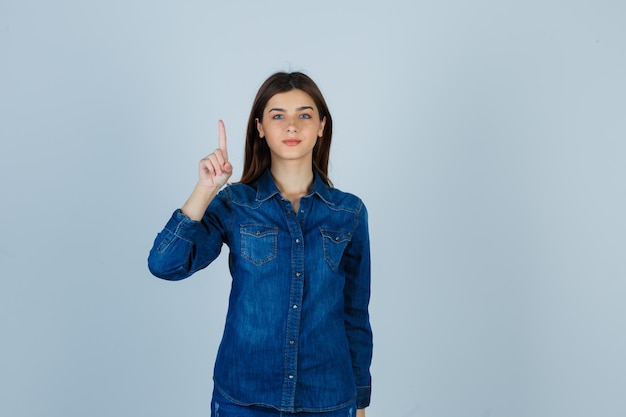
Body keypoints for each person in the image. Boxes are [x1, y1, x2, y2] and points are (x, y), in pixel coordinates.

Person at [148, 71, 372, 417]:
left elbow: (355, 314)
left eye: (305, 114)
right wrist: (206, 189)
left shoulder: (348, 212)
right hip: (245, 399)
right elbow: (165, 265)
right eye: (278, 115)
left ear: (322, 126)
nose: (292, 126)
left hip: (327, 400)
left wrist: (360, 402)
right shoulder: (235, 204)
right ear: (260, 128)